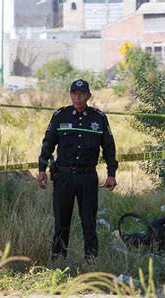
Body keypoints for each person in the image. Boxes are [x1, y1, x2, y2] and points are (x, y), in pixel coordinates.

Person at [37, 79, 118, 261]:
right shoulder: (60, 115)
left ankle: (91, 261)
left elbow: (109, 148)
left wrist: (111, 174)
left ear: (89, 96)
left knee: (89, 222)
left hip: (87, 177)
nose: (78, 98)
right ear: (70, 95)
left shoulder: (99, 118)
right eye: (74, 93)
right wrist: (42, 169)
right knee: (61, 222)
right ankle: (58, 260)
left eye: (82, 94)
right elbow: (48, 143)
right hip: (63, 176)